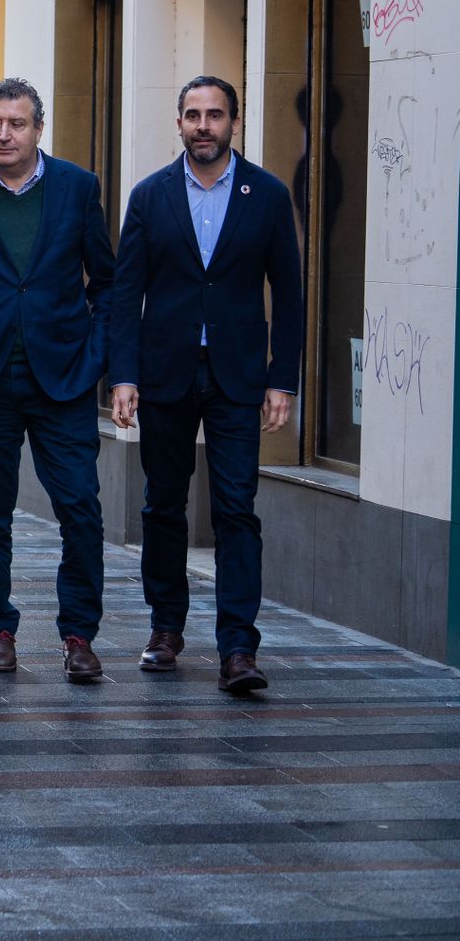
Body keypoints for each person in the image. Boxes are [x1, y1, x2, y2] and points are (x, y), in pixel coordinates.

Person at [109, 75, 303, 693]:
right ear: (179, 123)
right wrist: (123, 375)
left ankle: (239, 648)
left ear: (233, 124)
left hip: (237, 376)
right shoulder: (151, 195)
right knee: (163, 506)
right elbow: (125, 294)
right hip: (165, 373)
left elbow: (290, 293)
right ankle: (166, 629)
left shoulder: (266, 195)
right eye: (192, 115)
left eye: (214, 115)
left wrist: (283, 378)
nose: (203, 125)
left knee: (236, 509)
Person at [0, 78, 115, 682]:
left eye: (16, 124)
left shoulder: (78, 187)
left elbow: (105, 282)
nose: (4, 135)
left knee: (80, 507)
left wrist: (96, 357)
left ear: (38, 128)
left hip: (62, 378)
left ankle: (79, 635)